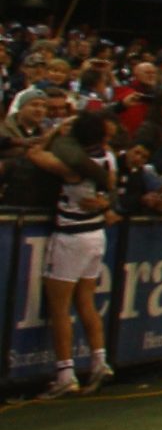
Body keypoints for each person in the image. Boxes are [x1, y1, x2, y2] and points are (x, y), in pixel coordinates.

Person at [28, 106, 116, 395]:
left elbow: (35, 153)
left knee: (59, 307)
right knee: (86, 301)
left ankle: (65, 373)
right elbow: (111, 190)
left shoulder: (72, 165)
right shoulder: (109, 157)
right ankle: (99, 360)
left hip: (71, 235)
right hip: (95, 233)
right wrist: (105, 203)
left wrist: (55, 130)